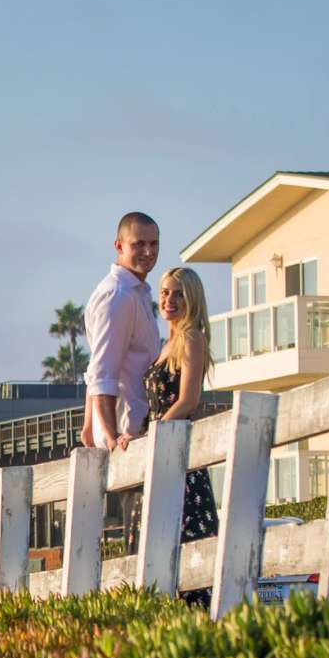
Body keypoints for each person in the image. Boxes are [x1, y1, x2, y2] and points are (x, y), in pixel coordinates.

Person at [146, 265, 220, 608]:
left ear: (192, 300)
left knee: (188, 557)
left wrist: (157, 436)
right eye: (164, 292)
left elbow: (189, 400)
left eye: (178, 294)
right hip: (159, 452)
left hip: (179, 460)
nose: (169, 300)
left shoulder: (192, 338)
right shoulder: (165, 345)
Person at [82, 211, 162, 452]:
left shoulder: (137, 292)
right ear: (119, 246)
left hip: (136, 431)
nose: (148, 252)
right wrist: (109, 437)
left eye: (154, 244)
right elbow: (103, 372)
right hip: (126, 438)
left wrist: (88, 425)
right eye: (139, 244)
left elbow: (98, 362)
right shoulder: (118, 296)